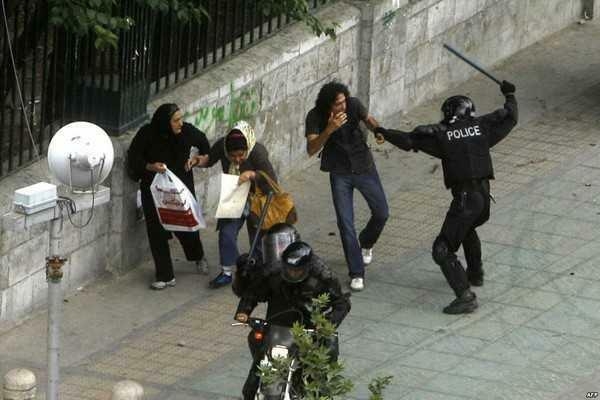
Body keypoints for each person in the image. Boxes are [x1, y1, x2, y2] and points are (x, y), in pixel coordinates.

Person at [375, 80, 518, 314]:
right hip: (484, 197)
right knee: (468, 228)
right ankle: (475, 273)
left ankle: (465, 296)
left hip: (465, 198)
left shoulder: (444, 137)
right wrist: (510, 94)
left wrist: (383, 132)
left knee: (442, 249)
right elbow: (511, 117)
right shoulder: (483, 128)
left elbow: (409, 141)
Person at [233, 240, 351, 400]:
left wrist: (326, 324)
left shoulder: (323, 276)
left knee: (319, 378)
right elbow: (253, 293)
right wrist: (244, 311)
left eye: (297, 270)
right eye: (289, 269)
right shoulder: (273, 272)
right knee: (254, 377)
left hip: (308, 332)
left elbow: (342, 303)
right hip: (277, 328)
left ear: (307, 267)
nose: (292, 273)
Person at [305, 80, 389, 291]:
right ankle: (356, 272)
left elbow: (368, 120)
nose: (342, 107)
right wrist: (329, 129)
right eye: (337, 104)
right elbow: (311, 148)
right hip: (339, 172)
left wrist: (378, 130)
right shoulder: (315, 116)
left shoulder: (353, 104)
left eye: (343, 102)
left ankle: (367, 243)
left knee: (382, 212)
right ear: (327, 106)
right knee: (345, 223)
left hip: (363, 166)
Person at [127, 103, 210, 290]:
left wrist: (196, 160)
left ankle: (197, 255)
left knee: (186, 228)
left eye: (181, 119)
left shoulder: (186, 132)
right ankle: (165, 275)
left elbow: (204, 145)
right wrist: (150, 166)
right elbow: (134, 157)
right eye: (176, 120)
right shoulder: (147, 134)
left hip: (179, 190)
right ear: (165, 122)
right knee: (156, 231)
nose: (180, 123)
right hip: (154, 190)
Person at [194, 120, 277, 289]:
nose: (237, 160)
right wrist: (198, 161)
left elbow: (272, 181)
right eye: (233, 156)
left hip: (257, 196)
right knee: (226, 232)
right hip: (235, 191)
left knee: (257, 237)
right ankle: (226, 272)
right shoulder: (222, 146)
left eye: (241, 155)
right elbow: (210, 159)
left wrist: (253, 175)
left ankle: (255, 273)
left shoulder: (257, 152)